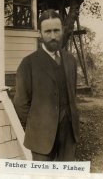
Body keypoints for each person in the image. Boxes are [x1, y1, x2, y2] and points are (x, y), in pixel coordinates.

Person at [14, 9, 79, 161]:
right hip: (40, 137)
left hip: (68, 134)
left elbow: (72, 95)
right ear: (40, 33)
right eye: (48, 31)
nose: (53, 36)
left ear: (62, 31)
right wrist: (35, 127)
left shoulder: (71, 61)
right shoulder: (28, 63)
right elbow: (20, 105)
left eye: (56, 31)